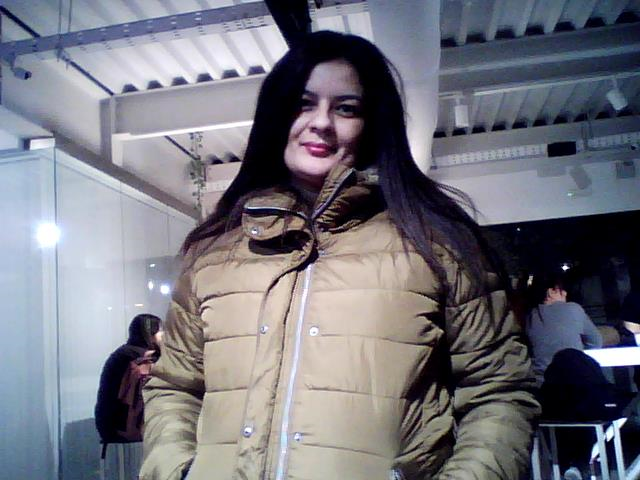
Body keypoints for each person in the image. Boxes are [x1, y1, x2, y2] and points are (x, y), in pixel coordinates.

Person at [140, 31, 538, 480]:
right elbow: (174, 387)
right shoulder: (214, 255)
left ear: (372, 122)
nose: (321, 123)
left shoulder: (437, 246)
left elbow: (498, 391)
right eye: (303, 103)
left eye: (346, 108)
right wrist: (178, 472)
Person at [95, 313, 163, 443]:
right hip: (122, 427)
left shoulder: (125, 353)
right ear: (150, 334)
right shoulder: (140, 357)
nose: (164, 335)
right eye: (160, 331)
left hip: (110, 425)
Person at [525, 274, 602, 387]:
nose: (565, 293)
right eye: (561, 290)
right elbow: (596, 342)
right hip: (574, 380)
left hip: (542, 384)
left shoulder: (530, 316)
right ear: (550, 292)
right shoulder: (573, 308)